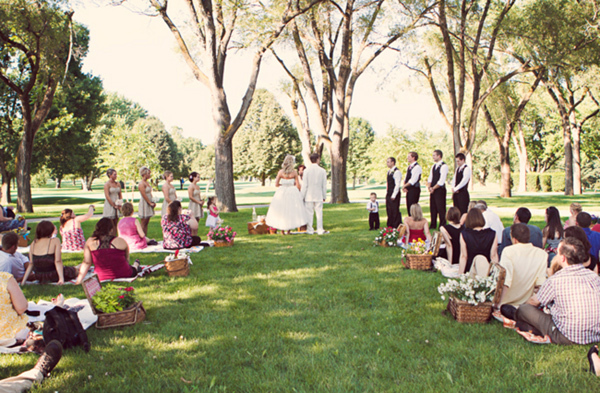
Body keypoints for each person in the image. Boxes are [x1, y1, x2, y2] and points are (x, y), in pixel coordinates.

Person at [515, 237, 600, 345]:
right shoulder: (594, 277)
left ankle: (523, 321)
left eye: (557, 252)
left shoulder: (556, 279)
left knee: (524, 309)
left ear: (563, 258)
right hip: (596, 334)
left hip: (568, 336)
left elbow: (533, 302)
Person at [74, 218, 140, 284]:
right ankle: (136, 264)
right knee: (133, 268)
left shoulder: (90, 242)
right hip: (124, 274)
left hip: (101, 277)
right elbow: (126, 260)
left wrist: (78, 281)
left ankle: (136, 265)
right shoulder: (121, 241)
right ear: (111, 229)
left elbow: (87, 262)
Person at [498, 224, 547, 310]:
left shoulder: (508, 251)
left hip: (507, 303)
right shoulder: (542, 254)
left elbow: (506, 281)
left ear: (514, 239)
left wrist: (498, 304)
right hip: (526, 304)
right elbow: (540, 285)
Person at [265, 155, 308, 235]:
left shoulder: (281, 172)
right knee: (291, 210)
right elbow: (298, 186)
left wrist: (283, 185)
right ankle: (288, 230)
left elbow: (276, 184)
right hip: (292, 192)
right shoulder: (294, 172)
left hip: (282, 192)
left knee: (281, 210)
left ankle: (282, 231)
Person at [459, 208, 498, 275]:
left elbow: (464, 256)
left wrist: (460, 273)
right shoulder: (492, 233)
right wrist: (495, 273)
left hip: (470, 268)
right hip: (486, 268)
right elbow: (493, 256)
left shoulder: (464, 234)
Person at [301, 153, 328, 235]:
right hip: (318, 194)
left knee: (309, 213)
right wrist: (324, 195)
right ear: (318, 159)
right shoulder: (322, 171)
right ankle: (320, 229)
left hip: (309, 195)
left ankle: (310, 229)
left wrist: (302, 196)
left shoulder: (306, 171)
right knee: (319, 213)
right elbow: (324, 185)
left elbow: (305, 185)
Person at [427, 149, 448, 229]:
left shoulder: (443, 166)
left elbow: (441, 180)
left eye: (434, 155)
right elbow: (430, 177)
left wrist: (434, 188)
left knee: (440, 207)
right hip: (433, 190)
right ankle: (433, 224)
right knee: (433, 207)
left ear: (439, 156)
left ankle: (442, 224)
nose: (433, 157)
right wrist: (429, 187)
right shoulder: (433, 166)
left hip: (439, 190)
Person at [138, 166, 156, 237]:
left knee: (147, 222)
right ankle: (142, 237)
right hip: (145, 203)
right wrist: (149, 203)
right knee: (143, 222)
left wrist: (153, 201)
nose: (149, 175)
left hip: (149, 201)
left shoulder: (147, 183)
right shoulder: (141, 183)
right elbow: (143, 194)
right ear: (144, 174)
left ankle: (145, 237)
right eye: (148, 173)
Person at [385, 157, 403, 228]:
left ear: (393, 162)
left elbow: (397, 184)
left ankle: (396, 224)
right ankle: (390, 223)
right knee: (389, 209)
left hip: (394, 193)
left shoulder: (396, 172)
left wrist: (394, 195)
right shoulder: (389, 171)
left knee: (394, 209)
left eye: (388, 162)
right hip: (389, 192)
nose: (387, 163)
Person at [402, 152, 422, 216]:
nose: (407, 158)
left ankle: (415, 221)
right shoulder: (409, 167)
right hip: (409, 189)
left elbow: (413, 180)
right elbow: (406, 178)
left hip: (414, 189)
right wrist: (405, 186)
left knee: (413, 207)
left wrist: (404, 186)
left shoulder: (417, 167)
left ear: (413, 157)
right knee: (409, 206)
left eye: (409, 157)